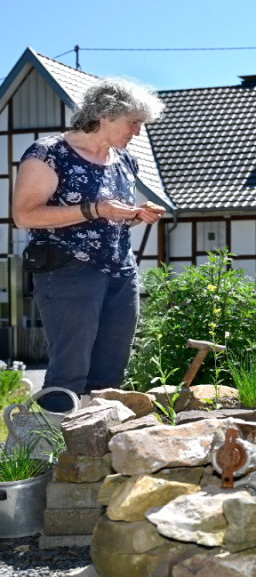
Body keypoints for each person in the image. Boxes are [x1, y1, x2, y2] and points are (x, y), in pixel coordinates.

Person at [12, 78, 167, 412]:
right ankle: (49, 453)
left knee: (111, 370)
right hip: (67, 270)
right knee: (70, 370)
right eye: (133, 122)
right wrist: (94, 209)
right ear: (107, 115)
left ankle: (93, 455)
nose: (137, 132)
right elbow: (24, 215)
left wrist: (138, 215)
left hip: (121, 272)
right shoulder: (49, 153)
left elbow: (113, 217)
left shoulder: (125, 161)